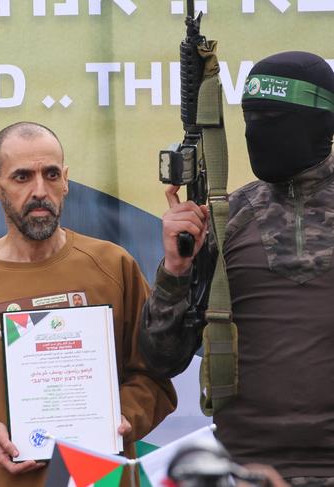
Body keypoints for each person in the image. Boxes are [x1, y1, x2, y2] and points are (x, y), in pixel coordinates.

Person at [0, 121, 176, 487]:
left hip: (99, 477)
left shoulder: (112, 265)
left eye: (50, 175)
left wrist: (124, 416)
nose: (39, 190)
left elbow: (153, 375)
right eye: (21, 177)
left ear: (65, 180)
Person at [139, 51, 334, 483]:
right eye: (252, 116)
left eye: (275, 117)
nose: (259, 130)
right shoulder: (225, 219)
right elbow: (161, 359)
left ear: (323, 121)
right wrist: (175, 268)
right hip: (244, 468)